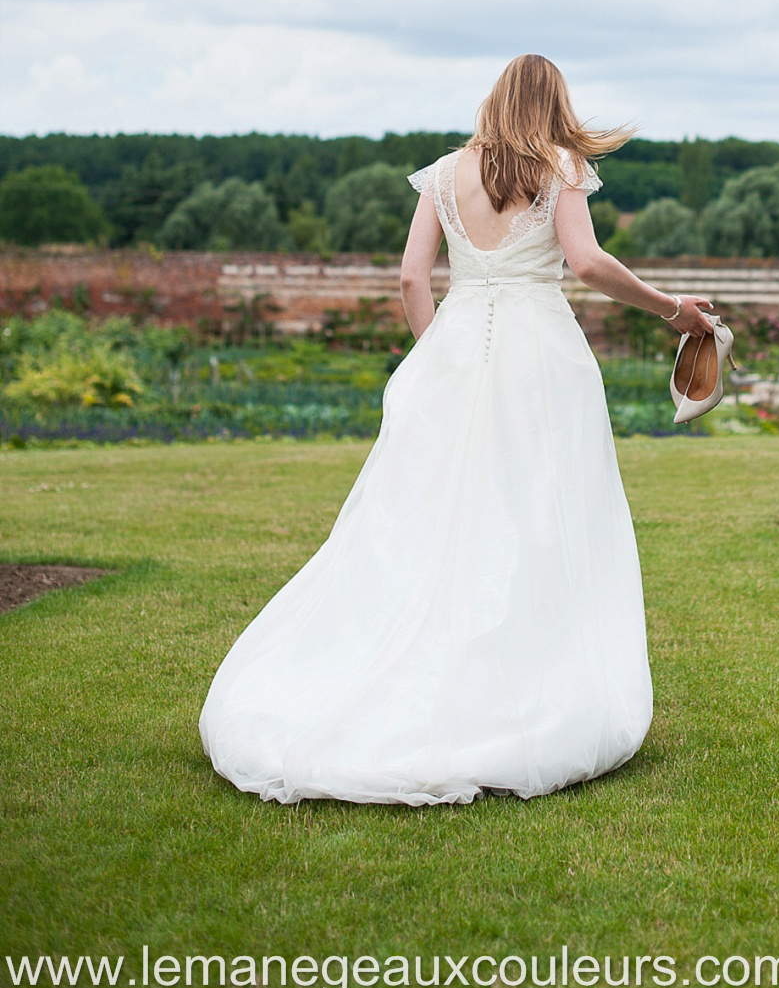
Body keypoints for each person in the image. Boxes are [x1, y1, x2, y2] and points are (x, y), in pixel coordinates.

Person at [199, 54, 714, 805]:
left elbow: (413, 278)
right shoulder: (561, 166)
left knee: (428, 519)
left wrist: (437, 352)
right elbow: (588, 263)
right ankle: (528, 684)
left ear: (494, 99)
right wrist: (675, 309)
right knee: (537, 514)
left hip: (456, 349)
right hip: (539, 358)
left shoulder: (443, 173)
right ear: (552, 104)